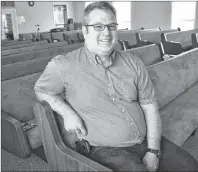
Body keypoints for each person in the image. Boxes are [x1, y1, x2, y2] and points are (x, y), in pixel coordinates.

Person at [34, 1, 198, 171]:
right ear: (85, 30)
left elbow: (150, 107)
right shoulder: (63, 65)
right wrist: (67, 112)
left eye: (111, 26)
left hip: (145, 141)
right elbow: (41, 90)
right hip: (106, 149)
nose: (106, 32)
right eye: (98, 26)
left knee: (191, 167)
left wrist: (153, 150)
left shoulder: (133, 63)